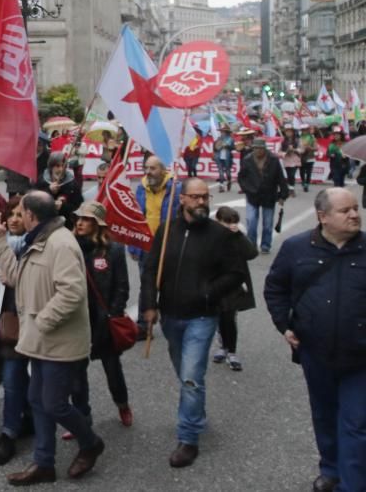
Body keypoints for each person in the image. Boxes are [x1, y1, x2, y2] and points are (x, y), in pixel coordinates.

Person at [0, 191, 105, 485]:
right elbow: (16, 277)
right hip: (40, 341)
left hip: (58, 343)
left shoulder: (60, 243)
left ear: (31, 215)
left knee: (53, 403)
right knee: (37, 400)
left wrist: (42, 322)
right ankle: (44, 463)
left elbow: (72, 292)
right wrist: (0, 242)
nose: (18, 217)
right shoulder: (38, 239)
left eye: (21, 212)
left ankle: (90, 443)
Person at [140, 178, 245, 468]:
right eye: (195, 197)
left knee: (190, 376)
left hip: (202, 316)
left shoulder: (218, 235)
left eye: (205, 197)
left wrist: (208, 292)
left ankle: (188, 438)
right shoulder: (167, 230)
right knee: (185, 374)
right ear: (182, 199)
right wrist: (149, 305)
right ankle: (196, 412)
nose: (201, 202)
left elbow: (235, 273)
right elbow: (150, 270)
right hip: (171, 316)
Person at [265, 188, 365, 492]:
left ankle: (353, 484)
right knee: (324, 415)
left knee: (357, 424)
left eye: (356, 208)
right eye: (345, 210)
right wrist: (284, 325)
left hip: (360, 356)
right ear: (322, 217)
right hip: (315, 353)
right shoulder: (296, 248)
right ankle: (331, 469)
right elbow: (275, 288)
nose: (354, 214)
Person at [70, 201, 133, 431]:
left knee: (112, 369)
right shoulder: (70, 247)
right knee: (76, 377)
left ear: (97, 224)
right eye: (78, 218)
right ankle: (80, 419)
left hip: (103, 322)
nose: (80, 222)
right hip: (76, 321)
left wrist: (113, 313)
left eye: (86, 219)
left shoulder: (113, 250)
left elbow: (122, 286)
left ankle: (122, 404)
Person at [0, 196, 33, 467]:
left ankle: (8, 434)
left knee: (13, 378)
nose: (15, 219)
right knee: (13, 378)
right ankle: (26, 418)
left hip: (21, 326)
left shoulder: (35, 248)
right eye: (12, 214)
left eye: (21, 214)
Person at [130, 155, 181, 337]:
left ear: (163, 170)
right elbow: (135, 218)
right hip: (146, 245)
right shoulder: (141, 189)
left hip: (168, 245)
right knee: (146, 285)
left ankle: (172, 321)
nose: (148, 172)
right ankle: (144, 325)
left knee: (171, 285)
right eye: (146, 168)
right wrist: (134, 246)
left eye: (153, 168)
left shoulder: (176, 188)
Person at [210, 206, 258, 372]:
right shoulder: (210, 236)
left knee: (230, 317)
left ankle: (232, 351)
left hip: (234, 283)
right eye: (226, 223)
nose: (229, 226)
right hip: (215, 283)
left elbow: (252, 253)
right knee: (219, 317)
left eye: (233, 223)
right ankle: (222, 346)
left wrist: (238, 234)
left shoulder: (237, 237)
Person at [238, 137, 288, 254]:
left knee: (268, 223)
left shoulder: (273, 160)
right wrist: (246, 189)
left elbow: (280, 177)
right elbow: (241, 177)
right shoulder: (247, 159)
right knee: (251, 221)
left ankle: (265, 245)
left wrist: (282, 195)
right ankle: (251, 244)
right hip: (252, 195)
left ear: (264, 148)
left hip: (269, 194)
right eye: (256, 148)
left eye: (260, 148)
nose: (258, 150)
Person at [34, 152, 83, 229]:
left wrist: (63, 206)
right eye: (57, 166)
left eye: (63, 166)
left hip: (66, 226)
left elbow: (78, 206)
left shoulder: (72, 184)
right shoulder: (42, 181)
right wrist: (49, 191)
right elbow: (34, 202)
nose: (61, 169)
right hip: (44, 224)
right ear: (51, 167)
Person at [213, 126, 235, 193]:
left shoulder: (230, 139)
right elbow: (215, 148)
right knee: (220, 172)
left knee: (228, 172)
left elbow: (233, 148)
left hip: (227, 157)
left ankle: (229, 181)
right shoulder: (218, 139)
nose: (221, 132)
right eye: (221, 131)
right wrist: (217, 146)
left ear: (226, 132)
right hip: (219, 157)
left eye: (223, 131)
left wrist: (227, 146)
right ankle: (221, 186)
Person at [280, 126, 301, 195]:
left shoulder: (297, 140)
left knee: (292, 174)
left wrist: (294, 149)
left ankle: (291, 188)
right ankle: (290, 187)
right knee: (289, 175)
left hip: (295, 158)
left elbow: (301, 149)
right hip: (287, 159)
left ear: (293, 132)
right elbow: (279, 151)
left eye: (290, 131)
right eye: (287, 131)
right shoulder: (283, 141)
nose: (288, 133)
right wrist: (286, 151)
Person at [300, 126, 319, 193]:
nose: (304, 131)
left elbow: (316, 148)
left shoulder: (312, 138)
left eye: (305, 130)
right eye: (303, 130)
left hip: (310, 156)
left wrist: (310, 148)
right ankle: (303, 181)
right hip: (301, 157)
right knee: (301, 171)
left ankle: (307, 184)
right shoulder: (299, 138)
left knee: (308, 172)